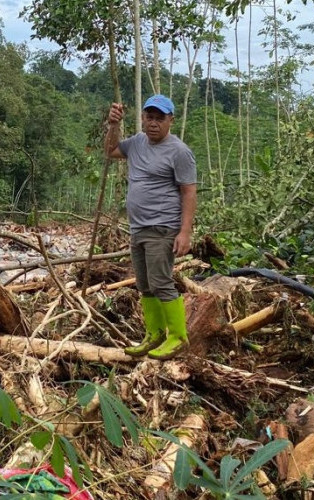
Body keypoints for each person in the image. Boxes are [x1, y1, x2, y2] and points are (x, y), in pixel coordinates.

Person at [104, 94, 197, 360]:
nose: (153, 123)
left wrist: (185, 231)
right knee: (145, 285)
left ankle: (178, 337)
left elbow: (189, 192)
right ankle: (154, 333)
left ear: (171, 120)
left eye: (160, 118)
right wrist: (113, 125)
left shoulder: (179, 152)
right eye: (149, 117)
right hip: (139, 228)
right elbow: (110, 151)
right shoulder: (136, 143)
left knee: (161, 282)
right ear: (143, 118)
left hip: (163, 227)